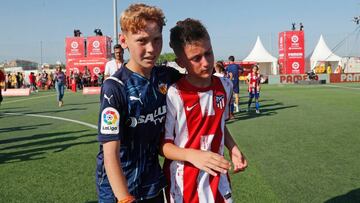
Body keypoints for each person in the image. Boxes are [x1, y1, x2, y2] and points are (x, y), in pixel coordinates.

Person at [96, 3, 181, 203]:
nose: (151, 49)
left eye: (156, 40)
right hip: (117, 188)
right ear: (124, 41)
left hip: (152, 183)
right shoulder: (114, 88)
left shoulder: (167, 77)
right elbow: (110, 154)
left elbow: (199, 83)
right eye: (142, 41)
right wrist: (124, 198)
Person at [162, 18, 248, 203]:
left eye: (208, 53)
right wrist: (192, 155)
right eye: (196, 58)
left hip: (217, 176)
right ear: (181, 62)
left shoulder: (224, 86)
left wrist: (233, 148)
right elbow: (163, 146)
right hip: (184, 182)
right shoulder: (174, 94)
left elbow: (218, 125)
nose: (206, 62)